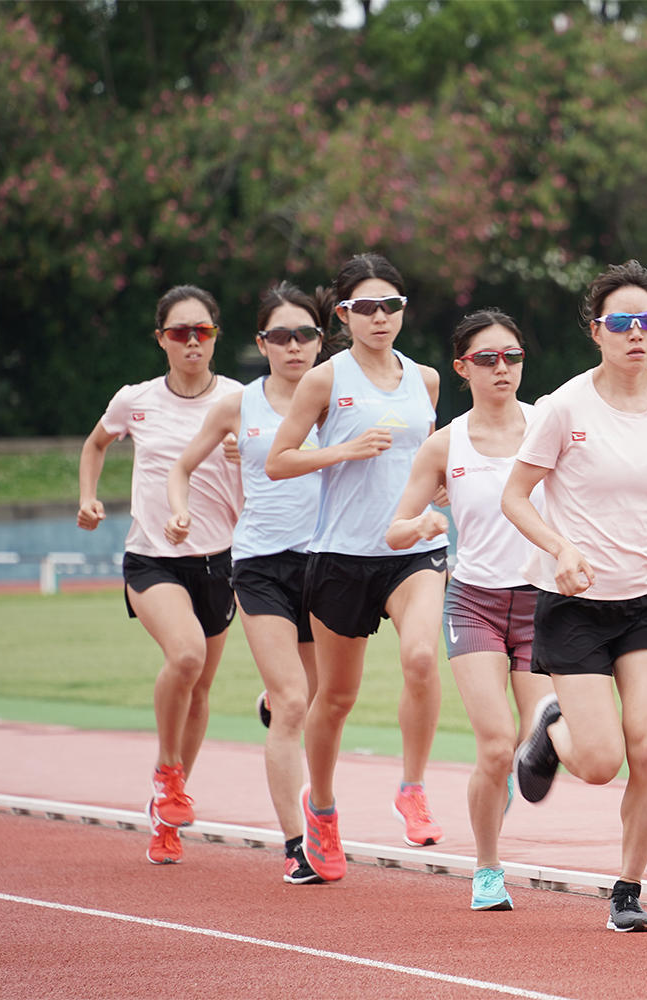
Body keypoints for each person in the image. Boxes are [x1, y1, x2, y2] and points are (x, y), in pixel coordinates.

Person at [503, 260, 647, 933]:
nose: (638, 333)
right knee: (602, 763)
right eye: (622, 322)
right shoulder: (563, 407)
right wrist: (561, 548)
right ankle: (553, 727)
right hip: (575, 598)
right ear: (596, 330)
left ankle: (628, 889)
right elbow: (515, 496)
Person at [265, 252, 449, 882]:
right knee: (336, 697)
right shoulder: (326, 378)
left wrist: (443, 492)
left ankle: (413, 787)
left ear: (404, 311)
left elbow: (429, 459)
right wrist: (340, 449)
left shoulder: (425, 380)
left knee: (422, 657)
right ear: (343, 314)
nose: (379, 317)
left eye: (390, 305)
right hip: (341, 556)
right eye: (365, 307)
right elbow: (278, 460)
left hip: (412, 551)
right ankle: (320, 810)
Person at [164, 281, 333, 884]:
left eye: (305, 334)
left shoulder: (340, 398)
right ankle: (296, 846)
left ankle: (269, 702)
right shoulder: (240, 405)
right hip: (260, 563)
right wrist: (179, 510)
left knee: (314, 702)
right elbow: (182, 466)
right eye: (281, 336)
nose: (294, 346)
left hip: (327, 563)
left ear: (321, 340)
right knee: (294, 703)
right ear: (262, 343)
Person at [385, 308, 554, 912]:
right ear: (462, 367)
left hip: (543, 603)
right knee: (494, 743)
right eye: (487, 358)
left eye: (512, 356)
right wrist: (422, 522)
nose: (502, 368)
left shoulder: (549, 425)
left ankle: (526, 762)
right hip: (476, 602)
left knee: (541, 732)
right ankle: (487, 870)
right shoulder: (444, 444)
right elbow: (396, 528)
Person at [77, 285, 244, 866]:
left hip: (219, 561)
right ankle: (167, 775)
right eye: (180, 332)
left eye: (202, 331)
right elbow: (96, 444)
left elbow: (276, 468)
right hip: (152, 558)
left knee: (199, 689)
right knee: (187, 655)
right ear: (162, 340)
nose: (192, 341)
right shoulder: (136, 400)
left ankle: (168, 807)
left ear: (215, 337)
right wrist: (88, 498)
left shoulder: (241, 401)